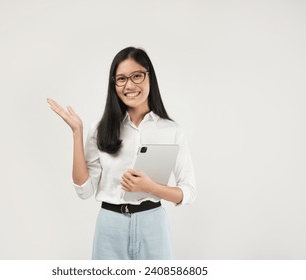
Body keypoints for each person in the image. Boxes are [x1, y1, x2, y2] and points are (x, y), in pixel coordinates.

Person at [47, 47, 196, 260]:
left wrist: (150, 188)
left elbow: (188, 191)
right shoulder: (100, 129)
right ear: (114, 84)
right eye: (121, 79)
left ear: (149, 77)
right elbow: (84, 191)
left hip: (153, 224)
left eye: (137, 76)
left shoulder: (171, 130)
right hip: (110, 226)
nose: (129, 85)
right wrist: (76, 132)